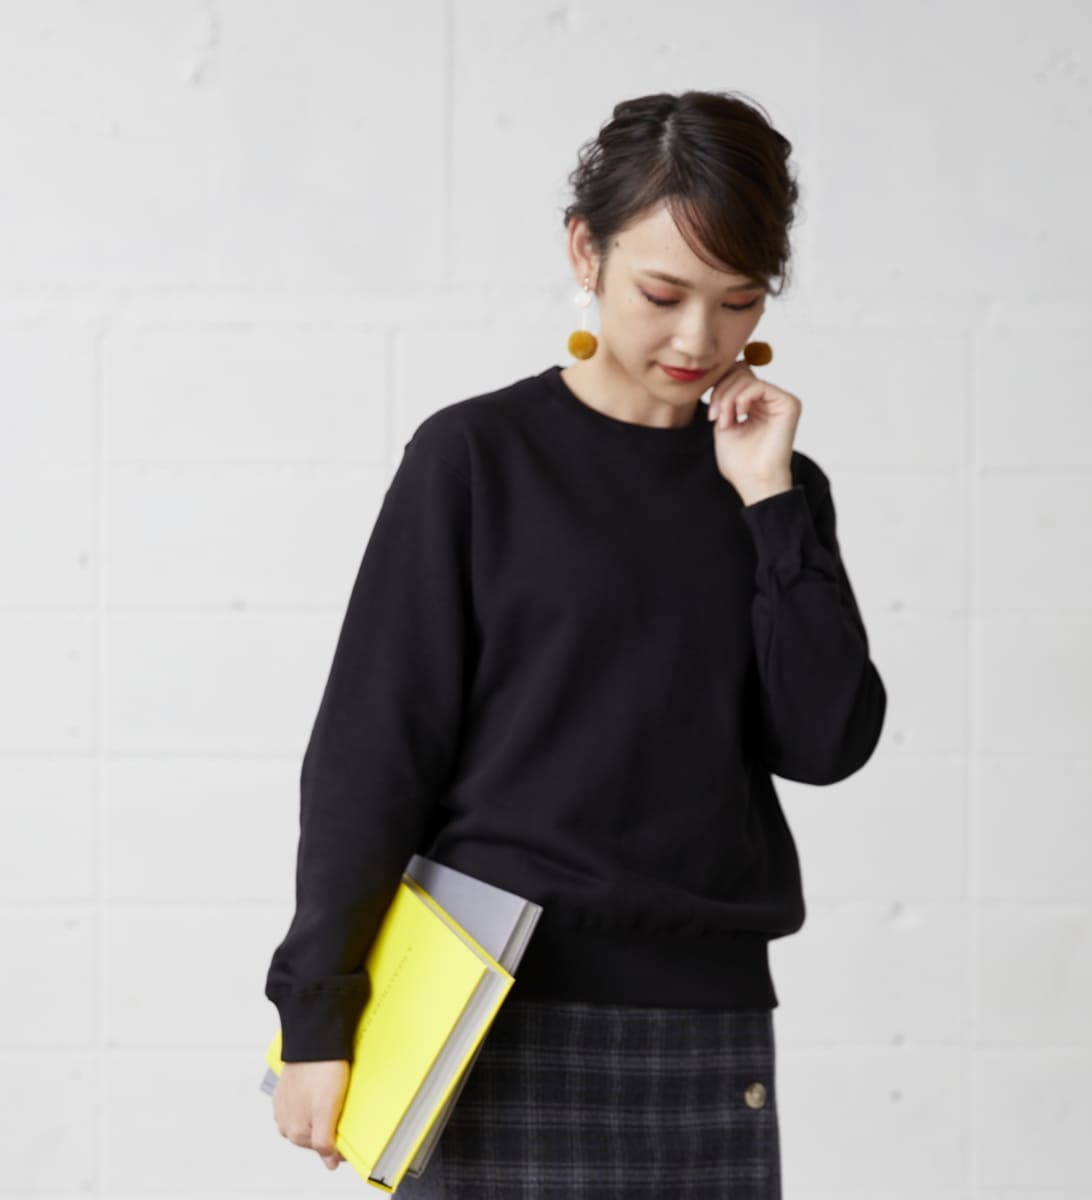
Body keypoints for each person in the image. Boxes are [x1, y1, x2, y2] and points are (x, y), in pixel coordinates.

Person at [265, 88, 887, 1198]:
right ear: (584, 252)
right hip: (489, 1012)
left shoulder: (775, 491)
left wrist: (771, 503)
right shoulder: (475, 459)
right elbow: (372, 749)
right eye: (664, 294)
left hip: (705, 1021)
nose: (699, 340)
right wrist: (318, 1011)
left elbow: (826, 742)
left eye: (738, 302)